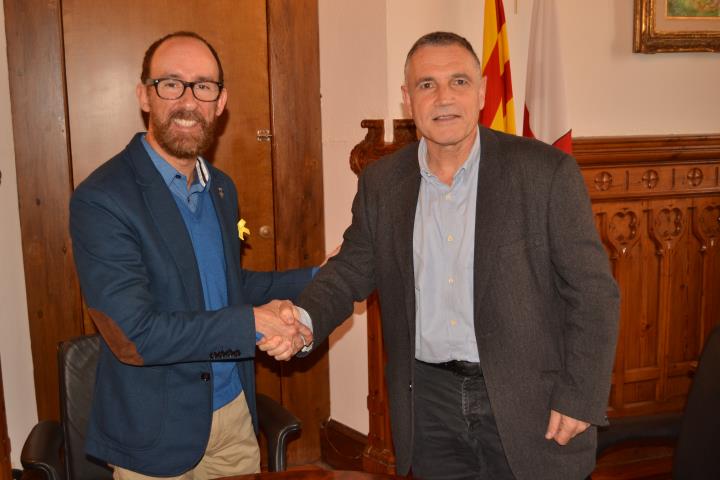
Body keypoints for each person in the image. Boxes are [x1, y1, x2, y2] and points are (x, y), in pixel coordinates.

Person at [283, 32, 620, 479]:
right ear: (408, 99)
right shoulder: (382, 183)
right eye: (427, 85)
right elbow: (349, 271)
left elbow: (593, 293)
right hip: (429, 401)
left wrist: (580, 396)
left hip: (528, 398)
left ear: (480, 90)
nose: (444, 98)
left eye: (458, 82)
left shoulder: (545, 172)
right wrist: (302, 322)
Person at [70, 31, 313, 479]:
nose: (188, 100)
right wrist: (253, 322)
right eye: (170, 84)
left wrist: (325, 274)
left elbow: (228, 286)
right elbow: (135, 336)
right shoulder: (102, 199)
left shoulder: (221, 187)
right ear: (145, 95)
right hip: (155, 435)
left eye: (203, 86)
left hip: (234, 420)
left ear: (220, 103)